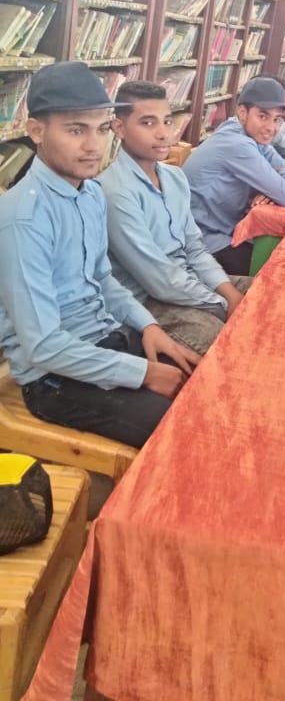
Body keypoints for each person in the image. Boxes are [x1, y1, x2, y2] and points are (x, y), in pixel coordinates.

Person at [0, 62, 199, 448]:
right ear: (37, 131)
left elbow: (103, 279)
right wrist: (142, 373)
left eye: (103, 129)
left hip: (106, 338)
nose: (94, 146)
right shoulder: (22, 219)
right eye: (76, 130)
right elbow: (43, 347)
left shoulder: (90, 193)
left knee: (206, 381)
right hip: (53, 378)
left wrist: (149, 327)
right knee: (182, 434)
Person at [101, 81, 251, 356]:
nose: (163, 134)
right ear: (119, 128)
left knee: (270, 292)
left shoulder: (174, 177)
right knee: (232, 345)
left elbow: (194, 247)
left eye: (167, 121)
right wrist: (223, 304)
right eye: (148, 123)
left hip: (189, 278)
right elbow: (159, 279)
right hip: (150, 299)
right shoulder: (114, 191)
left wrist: (229, 293)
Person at [183, 76, 285, 275]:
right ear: (242, 113)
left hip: (225, 227)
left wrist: (274, 186)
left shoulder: (250, 134)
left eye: (277, 119)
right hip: (202, 240)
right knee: (278, 270)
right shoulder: (237, 143)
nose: (271, 128)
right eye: (263, 116)